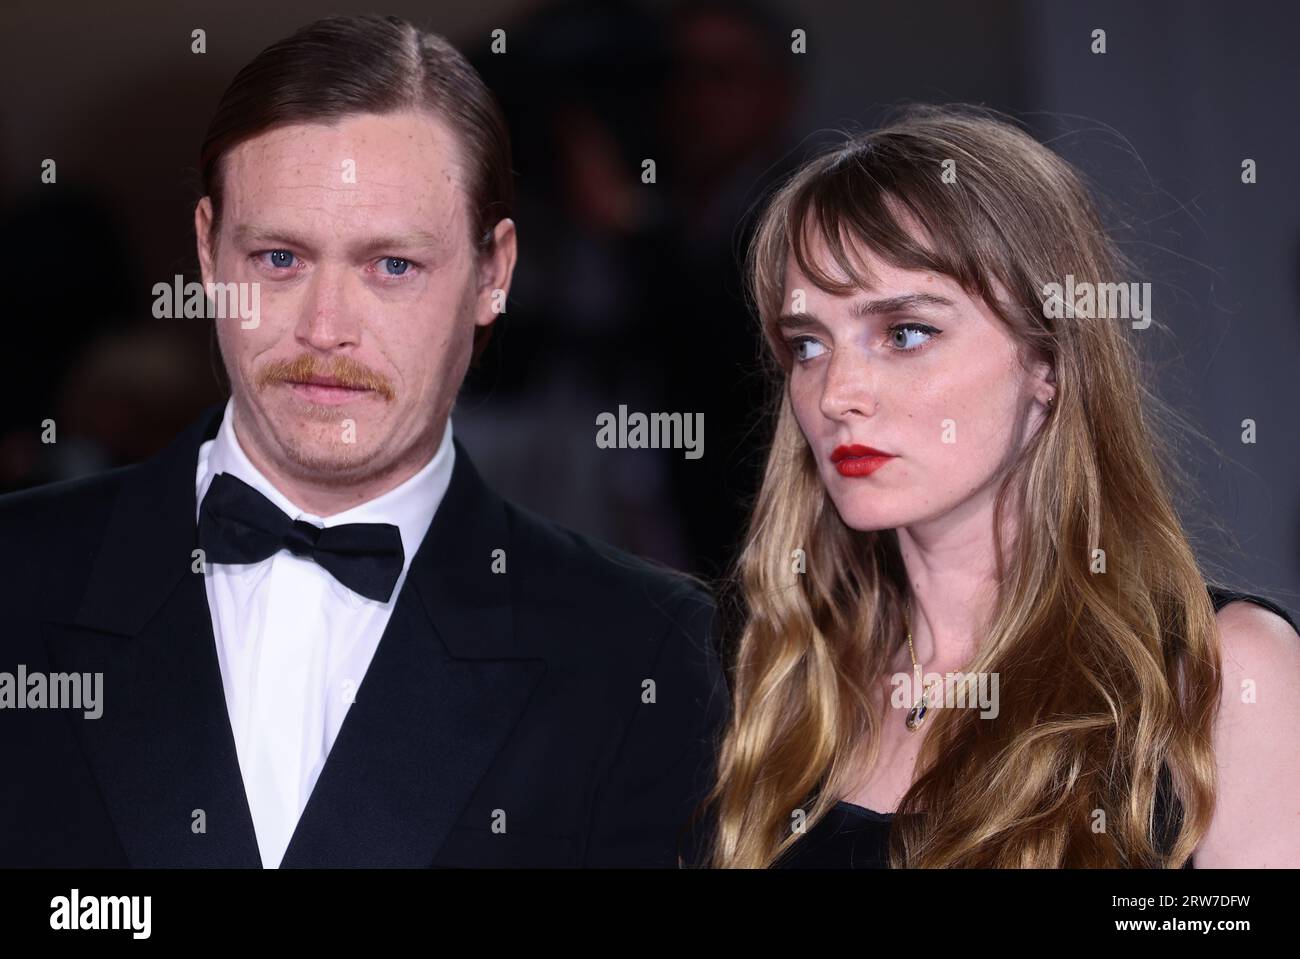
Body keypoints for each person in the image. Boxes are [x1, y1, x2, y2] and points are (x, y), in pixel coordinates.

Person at [0, 14, 723, 869]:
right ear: (206, 249)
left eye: (391, 267)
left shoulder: (643, 648)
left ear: (494, 274)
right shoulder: (18, 576)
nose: (325, 328)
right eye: (279, 258)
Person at [702, 105, 1300, 868]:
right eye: (807, 343)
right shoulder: (786, 677)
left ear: (1047, 362)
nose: (835, 391)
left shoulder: (1219, 674)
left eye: (906, 331)